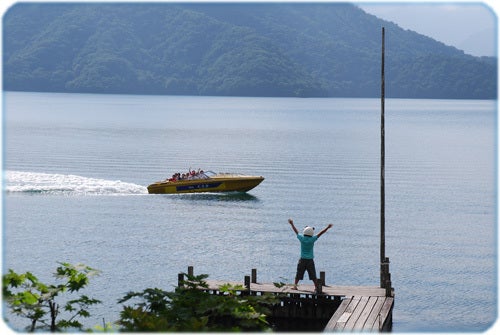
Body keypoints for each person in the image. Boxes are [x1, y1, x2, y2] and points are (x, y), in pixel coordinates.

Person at [288, 218, 333, 293]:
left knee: (299, 273)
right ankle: (316, 288)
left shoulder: (302, 238)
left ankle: (295, 286)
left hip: (302, 259)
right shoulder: (312, 239)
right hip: (310, 260)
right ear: (311, 233)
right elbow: (321, 233)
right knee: (313, 275)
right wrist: (327, 227)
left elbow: (296, 231)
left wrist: (292, 224)